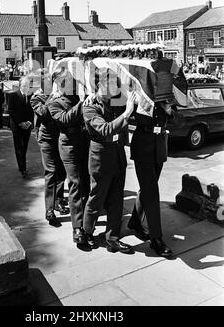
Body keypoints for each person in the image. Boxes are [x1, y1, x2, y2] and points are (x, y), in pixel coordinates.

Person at [82, 69, 136, 253]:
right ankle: (86, 232)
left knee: (116, 199)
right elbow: (105, 129)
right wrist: (127, 113)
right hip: (100, 156)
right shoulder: (90, 107)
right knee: (97, 197)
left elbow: (131, 95)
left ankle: (112, 238)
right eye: (113, 83)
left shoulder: (117, 101)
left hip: (117, 154)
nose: (117, 87)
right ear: (101, 85)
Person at [127, 99, 175, 258]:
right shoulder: (140, 94)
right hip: (143, 146)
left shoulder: (165, 96)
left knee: (147, 189)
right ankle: (156, 239)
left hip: (159, 146)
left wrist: (169, 111)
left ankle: (134, 222)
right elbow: (133, 117)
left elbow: (179, 120)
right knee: (152, 192)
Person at [48, 69, 90, 247]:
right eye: (66, 81)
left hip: (84, 141)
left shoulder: (78, 97)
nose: (71, 85)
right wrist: (82, 103)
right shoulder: (54, 103)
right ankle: (77, 227)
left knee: (87, 182)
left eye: (72, 81)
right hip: (68, 145)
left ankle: (87, 223)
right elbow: (64, 119)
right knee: (75, 183)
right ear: (58, 83)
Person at [30, 72, 69, 228]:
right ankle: (49, 209)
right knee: (51, 172)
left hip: (60, 137)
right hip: (46, 138)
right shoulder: (36, 97)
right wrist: (53, 97)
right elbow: (44, 113)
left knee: (62, 171)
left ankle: (59, 200)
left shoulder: (62, 94)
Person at [8, 75, 34, 178]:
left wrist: (30, 122)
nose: (25, 87)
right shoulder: (13, 95)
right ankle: (23, 168)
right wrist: (20, 123)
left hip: (27, 126)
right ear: (20, 85)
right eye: (24, 85)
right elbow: (11, 111)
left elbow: (32, 111)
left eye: (27, 85)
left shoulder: (30, 96)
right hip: (17, 126)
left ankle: (21, 165)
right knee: (19, 147)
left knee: (25, 147)